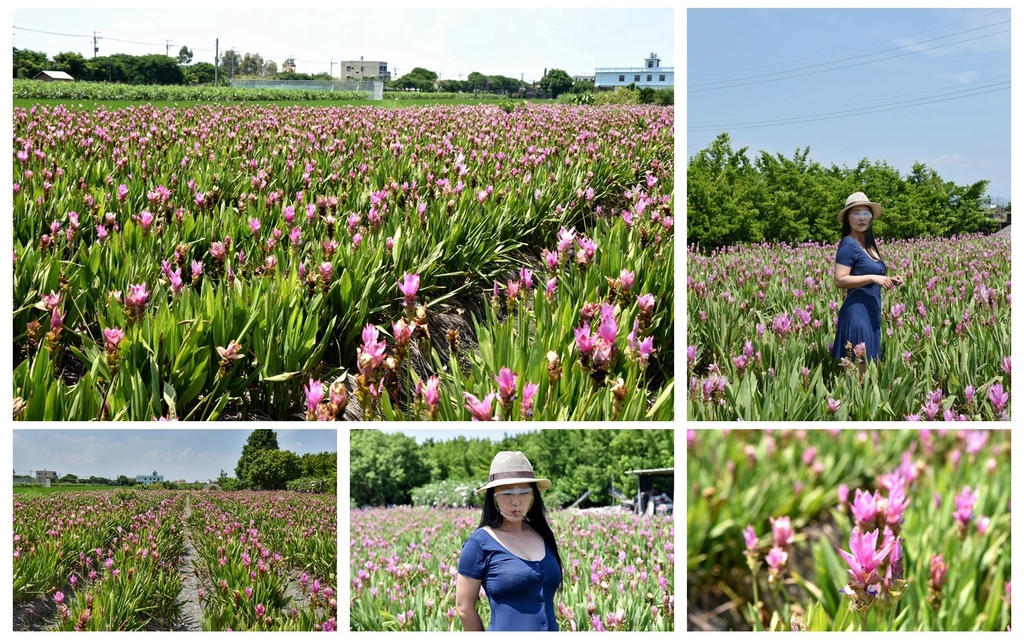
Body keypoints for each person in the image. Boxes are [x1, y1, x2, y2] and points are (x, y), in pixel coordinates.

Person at [456, 451, 563, 632]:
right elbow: (463, 608)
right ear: (493, 496)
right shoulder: (479, 543)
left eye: (524, 492)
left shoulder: (542, 534)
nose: (516, 501)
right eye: (507, 493)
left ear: (533, 495)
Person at [831, 192, 904, 373]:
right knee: (858, 373)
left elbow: (871, 273)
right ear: (848, 218)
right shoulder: (848, 245)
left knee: (868, 372)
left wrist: (890, 279)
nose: (862, 218)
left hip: (871, 313)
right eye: (856, 213)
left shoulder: (869, 245)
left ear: (872, 217)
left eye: (866, 213)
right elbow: (840, 280)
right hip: (857, 314)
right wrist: (873, 278)